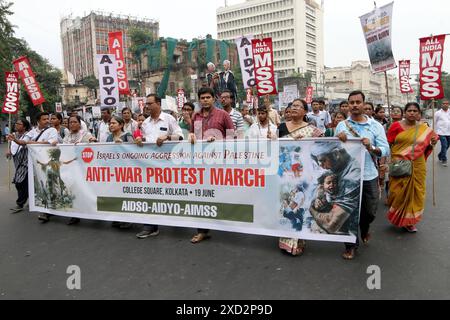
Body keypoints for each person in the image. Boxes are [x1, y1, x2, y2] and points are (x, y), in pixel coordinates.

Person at [336, 91, 390, 260]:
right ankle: (351, 245)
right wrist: (339, 139)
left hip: (369, 175)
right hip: (348, 176)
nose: (354, 105)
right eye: (351, 102)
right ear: (348, 104)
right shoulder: (342, 125)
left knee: (370, 211)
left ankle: (365, 228)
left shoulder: (375, 126)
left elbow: (385, 149)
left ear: (364, 103)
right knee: (349, 211)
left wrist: (371, 147)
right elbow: (334, 150)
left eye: (358, 102)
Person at [277, 99, 323, 256]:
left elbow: (321, 147)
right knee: (286, 203)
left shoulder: (312, 130)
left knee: (301, 204)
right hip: (284, 174)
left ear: (305, 111)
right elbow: (275, 146)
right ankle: (285, 241)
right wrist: (287, 141)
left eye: (298, 106)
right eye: (292, 106)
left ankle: (300, 239)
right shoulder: (282, 127)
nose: (294, 108)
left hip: (304, 174)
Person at [189, 87, 235, 244]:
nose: (205, 100)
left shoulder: (223, 115)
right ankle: (202, 230)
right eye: (202, 98)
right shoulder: (195, 116)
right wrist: (192, 136)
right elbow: (192, 134)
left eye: (208, 97)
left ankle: (230, 223)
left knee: (221, 194)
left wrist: (217, 140)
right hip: (200, 163)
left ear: (213, 99)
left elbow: (232, 137)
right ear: (199, 99)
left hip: (219, 162)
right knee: (201, 195)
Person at [135, 94, 183, 239]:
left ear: (158, 104)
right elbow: (145, 141)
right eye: (146, 104)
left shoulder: (169, 119)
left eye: (150, 104)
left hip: (168, 165)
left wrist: (167, 137)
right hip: (149, 166)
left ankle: (179, 220)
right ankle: (150, 226)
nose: (147, 107)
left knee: (171, 194)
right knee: (150, 194)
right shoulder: (145, 123)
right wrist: (140, 139)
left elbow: (180, 137)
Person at [387, 103, 438, 233]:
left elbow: (429, 144)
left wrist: (432, 143)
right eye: (409, 110)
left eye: (415, 111)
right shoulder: (395, 126)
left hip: (417, 165)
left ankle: (409, 221)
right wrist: (387, 161)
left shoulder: (424, 129)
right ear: (404, 112)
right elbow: (389, 144)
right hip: (400, 164)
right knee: (397, 192)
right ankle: (398, 216)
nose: (412, 113)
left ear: (419, 113)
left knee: (416, 193)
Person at [8, 112, 59, 223]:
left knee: (47, 184)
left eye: (48, 119)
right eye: (44, 119)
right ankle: (41, 208)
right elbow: (23, 142)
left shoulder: (52, 130)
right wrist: (16, 140)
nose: (47, 121)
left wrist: (31, 142)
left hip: (47, 162)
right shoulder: (32, 132)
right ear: (38, 121)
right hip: (33, 163)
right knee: (32, 184)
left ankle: (48, 211)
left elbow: (51, 143)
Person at [309, 142, 361, 236]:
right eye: (319, 162)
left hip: (348, 231)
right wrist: (317, 199)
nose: (321, 165)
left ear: (336, 154)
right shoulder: (335, 168)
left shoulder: (351, 177)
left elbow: (331, 224)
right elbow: (319, 187)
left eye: (323, 160)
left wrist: (311, 209)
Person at [7, 119, 31, 213]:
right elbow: (11, 145)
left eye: (19, 124)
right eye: (16, 123)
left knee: (19, 182)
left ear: (24, 126)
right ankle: (31, 198)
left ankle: (20, 203)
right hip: (16, 160)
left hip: (26, 161)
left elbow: (23, 143)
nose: (16, 125)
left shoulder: (29, 135)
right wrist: (9, 150)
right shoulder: (14, 134)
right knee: (25, 183)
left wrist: (14, 139)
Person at [435, 99, 450, 167]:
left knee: (447, 146)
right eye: (444, 103)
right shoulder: (438, 113)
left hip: (449, 132)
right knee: (444, 145)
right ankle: (444, 159)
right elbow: (435, 122)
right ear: (442, 105)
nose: (445, 104)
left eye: (447, 103)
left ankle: (440, 155)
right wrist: (434, 132)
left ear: (448, 105)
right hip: (441, 132)